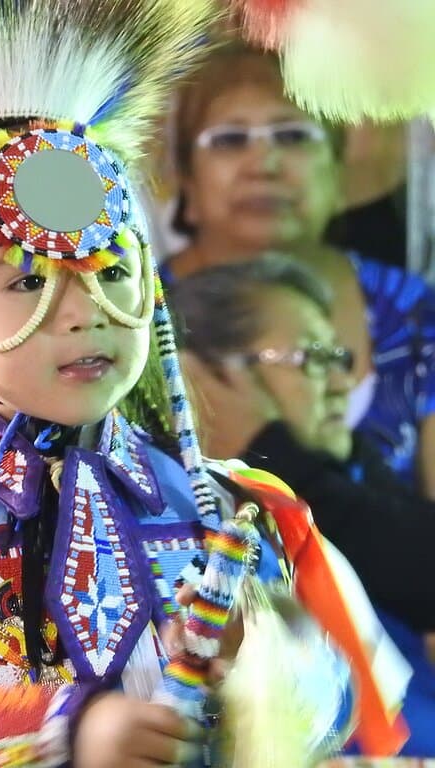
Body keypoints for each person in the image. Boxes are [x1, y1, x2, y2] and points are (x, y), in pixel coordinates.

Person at [0, 1, 406, 765]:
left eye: (110, 272)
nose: (83, 313)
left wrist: (257, 666)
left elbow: (338, 710)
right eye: (27, 279)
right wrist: (68, 731)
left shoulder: (235, 511)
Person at [170, 255, 435, 756]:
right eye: (311, 358)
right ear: (213, 379)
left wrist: (273, 450)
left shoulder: (343, 480)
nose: (340, 383)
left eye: (340, 357)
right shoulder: (198, 527)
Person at [162, 42, 435, 498]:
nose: (263, 165)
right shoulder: (136, 316)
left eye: (293, 136)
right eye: (229, 140)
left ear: (337, 173)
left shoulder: (416, 314)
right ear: (186, 179)